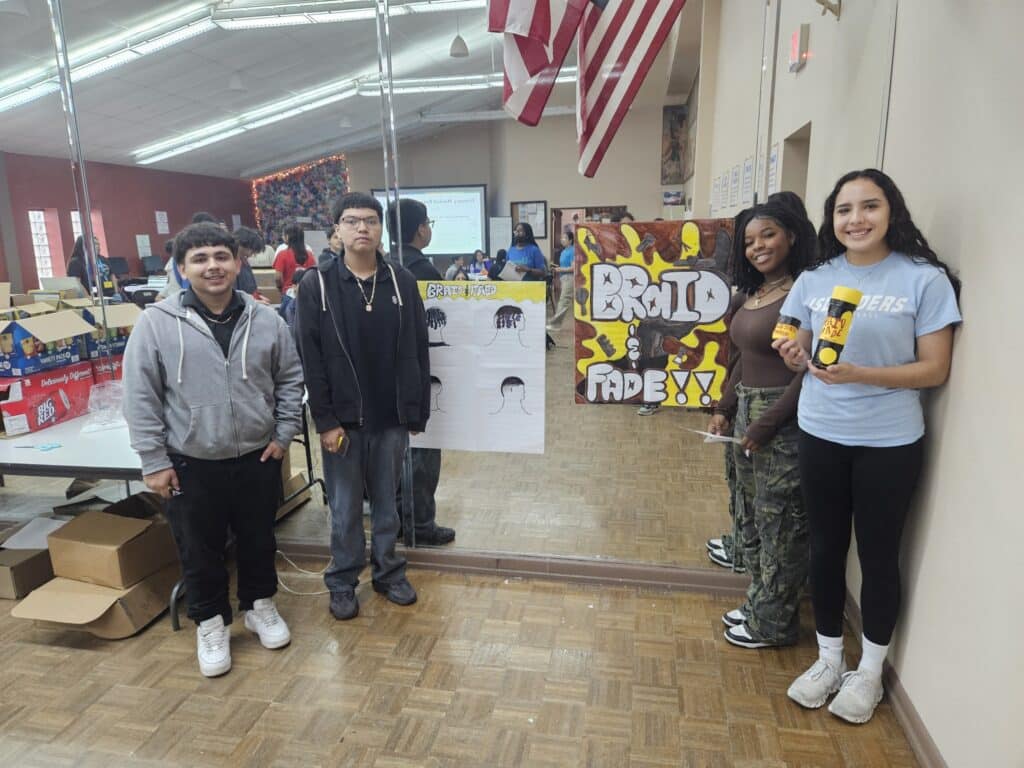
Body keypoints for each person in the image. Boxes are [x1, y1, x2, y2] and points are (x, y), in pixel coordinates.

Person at [774, 169, 961, 724]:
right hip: (819, 431)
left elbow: (935, 369)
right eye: (843, 210)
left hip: (889, 442)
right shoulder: (815, 277)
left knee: (879, 557)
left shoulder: (922, 280)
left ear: (891, 212)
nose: (855, 219)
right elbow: (795, 337)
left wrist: (862, 374)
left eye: (869, 206)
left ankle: (871, 671)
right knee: (826, 549)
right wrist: (793, 351)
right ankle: (830, 659)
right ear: (831, 220)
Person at [123, 222, 304, 678]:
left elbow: (289, 379)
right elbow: (140, 396)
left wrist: (283, 435)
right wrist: (154, 461)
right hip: (191, 461)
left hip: (257, 456)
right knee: (199, 547)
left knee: (259, 537)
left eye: (221, 257)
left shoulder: (267, 319)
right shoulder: (156, 323)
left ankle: (260, 605)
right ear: (182, 269)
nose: (212, 266)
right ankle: (210, 621)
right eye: (200, 259)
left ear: (238, 262)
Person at [294, 192, 431, 620]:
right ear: (336, 229)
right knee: (346, 506)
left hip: (390, 416)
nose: (362, 229)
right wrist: (326, 421)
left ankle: (389, 572)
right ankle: (343, 580)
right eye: (352, 221)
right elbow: (310, 360)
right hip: (343, 423)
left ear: (380, 229)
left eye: (370, 221)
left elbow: (417, 350)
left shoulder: (402, 283)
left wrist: (416, 410)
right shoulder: (316, 285)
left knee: (388, 504)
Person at [708, 201, 816, 650]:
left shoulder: (804, 292)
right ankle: (760, 602)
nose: (758, 247)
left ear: (791, 235)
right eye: (749, 241)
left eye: (767, 235)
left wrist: (768, 423)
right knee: (752, 516)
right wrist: (725, 408)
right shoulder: (756, 293)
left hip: (782, 420)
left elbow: (805, 373)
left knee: (781, 524)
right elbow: (743, 361)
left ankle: (774, 622)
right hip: (750, 412)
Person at [386, 197, 456, 546]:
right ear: (419, 228)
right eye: (428, 222)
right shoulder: (423, 271)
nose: (429, 228)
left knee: (397, 455)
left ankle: (399, 520)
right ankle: (422, 526)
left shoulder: (383, 265)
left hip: (387, 380)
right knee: (423, 454)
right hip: (420, 373)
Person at [546, 230, 576, 331]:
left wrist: (560, 269)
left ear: (570, 240)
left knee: (563, 301)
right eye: (562, 238)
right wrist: (557, 268)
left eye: (565, 238)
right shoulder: (563, 251)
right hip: (564, 278)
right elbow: (565, 265)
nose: (562, 240)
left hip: (570, 278)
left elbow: (573, 268)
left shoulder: (573, 250)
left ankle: (556, 324)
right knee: (566, 301)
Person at [273, 222, 313, 291]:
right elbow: (313, 275)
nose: (282, 237)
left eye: (283, 235)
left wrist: (281, 288)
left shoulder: (282, 254)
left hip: (288, 293)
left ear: (288, 236)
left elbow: (278, 278)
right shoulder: (309, 254)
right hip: (306, 292)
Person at [231, 226, 263, 296]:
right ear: (244, 245)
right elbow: (233, 293)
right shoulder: (231, 264)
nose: (252, 254)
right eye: (253, 250)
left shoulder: (244, 260)